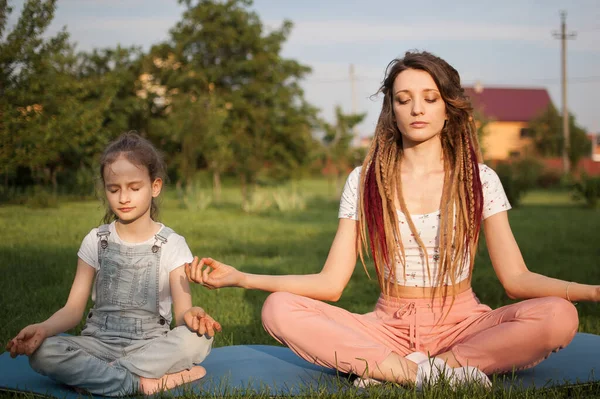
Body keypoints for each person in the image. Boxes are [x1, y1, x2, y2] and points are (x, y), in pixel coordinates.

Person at [186, 51, 593, 389]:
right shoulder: (365, 180)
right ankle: (425, 374)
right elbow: (330, 285)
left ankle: (399, 370)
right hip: (386, 326)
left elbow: (516, 279)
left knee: (560, 316)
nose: (417, 108)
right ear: (391, 110)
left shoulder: (479, 179)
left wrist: (592, 292)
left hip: (465, 324)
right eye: (404, 99)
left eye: (430, 98)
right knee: (278, 309)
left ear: (448, 108)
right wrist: (243, 278)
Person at [6, 132, 221, 396]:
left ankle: (103, 376)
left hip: (151, 345)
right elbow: (73, 310)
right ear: (105, 189)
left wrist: (195, 315)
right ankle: (140, 383)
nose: (124, 198)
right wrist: (43, 328)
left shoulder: (172, 244)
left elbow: (182, 314)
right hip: (98, 342)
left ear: (155, 187)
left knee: (198, 341)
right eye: (114, 189)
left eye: (134, 187)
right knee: (42, 353)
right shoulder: (95, 241)